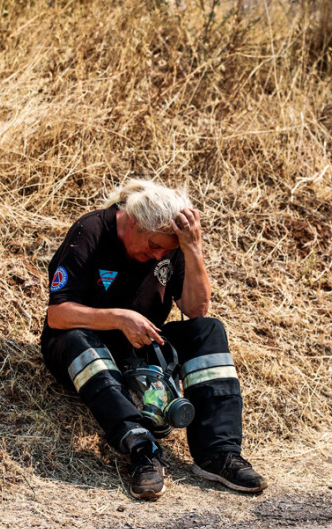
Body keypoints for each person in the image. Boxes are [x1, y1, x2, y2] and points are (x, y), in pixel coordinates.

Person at [40, 179, 267, 500]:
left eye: (166, 250)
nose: (158, 255)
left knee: (208, 330)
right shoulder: (91, 231)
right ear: (133, 221)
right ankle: (142, 450)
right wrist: (119, 319)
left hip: (139, 347)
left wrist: (192, 248)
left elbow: (196, 309)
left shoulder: (170, 248)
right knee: (79, 339)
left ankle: (218, 453)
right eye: (153, 245)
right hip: (80, 346)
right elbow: (58, 315)